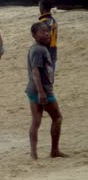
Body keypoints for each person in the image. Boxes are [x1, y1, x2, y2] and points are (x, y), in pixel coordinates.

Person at [26, 22, 66, 160]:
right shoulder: (39, 50)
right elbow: (35, 71)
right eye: (42, 32)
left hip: (32, 90)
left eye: (47, 31)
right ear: (34, 35)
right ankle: (54, 151)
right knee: (57, 117)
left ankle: (33, 154)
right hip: (42, 91)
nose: (47, 34)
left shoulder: (38, 48)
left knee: (36, 121)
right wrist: (42, 92)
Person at [38, 0, 58, 75]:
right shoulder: (53, 20)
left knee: (45, 80)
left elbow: (43, 38)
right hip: (53, 52)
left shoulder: (44, 22)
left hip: (46, 54)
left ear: (42, 8)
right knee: (50, 80)